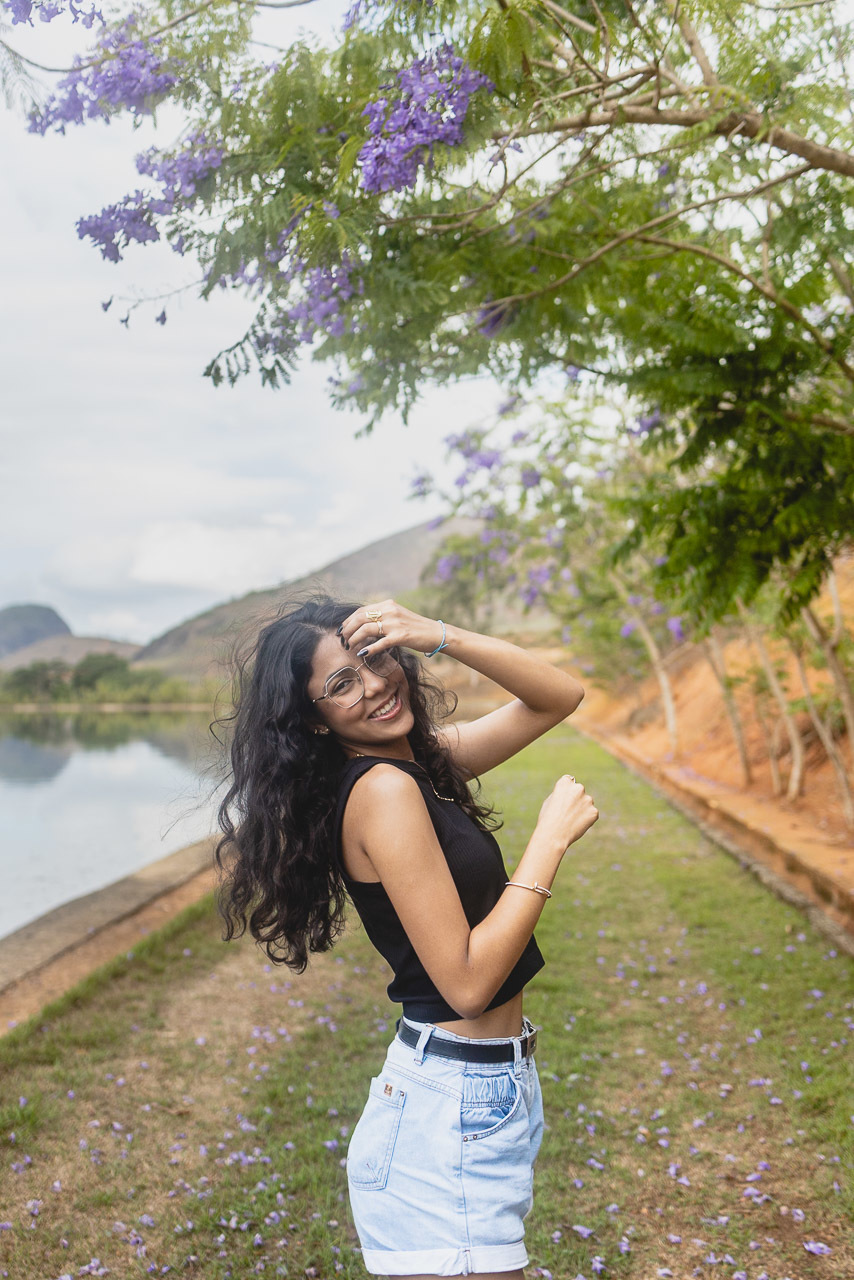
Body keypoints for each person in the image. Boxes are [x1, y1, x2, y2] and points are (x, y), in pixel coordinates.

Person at [216, 596, 598, 1280]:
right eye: (340, 684)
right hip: (449, 1110)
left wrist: (436, 633)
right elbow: (468, 982)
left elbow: (557, 696)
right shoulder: (383, 791)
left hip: (480, 1090)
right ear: (313, 719)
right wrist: (548, 843)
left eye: (374, 659)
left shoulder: (418, 763)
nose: (374, 685)